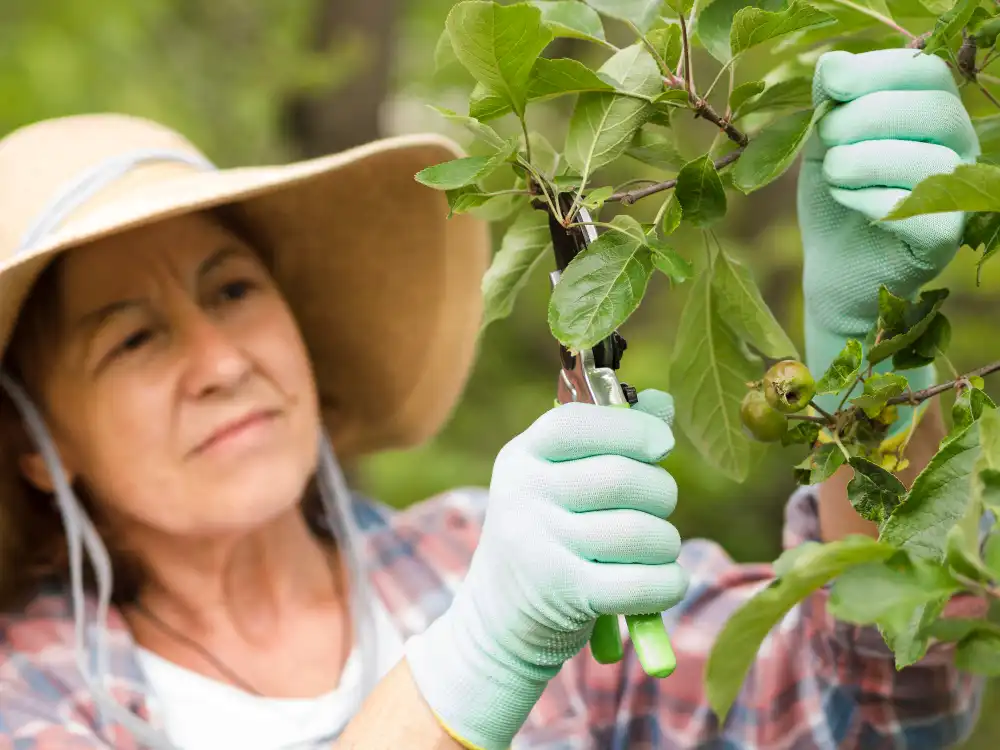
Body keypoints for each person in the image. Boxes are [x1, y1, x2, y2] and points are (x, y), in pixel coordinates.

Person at [0, 48, 986, 750]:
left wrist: (879, 360)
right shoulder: (31, 694)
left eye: (232, 288)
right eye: (131, 337)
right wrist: (475, 659)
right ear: (37, 444)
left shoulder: (473, 553)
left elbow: (871, 708)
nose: (219, 359)